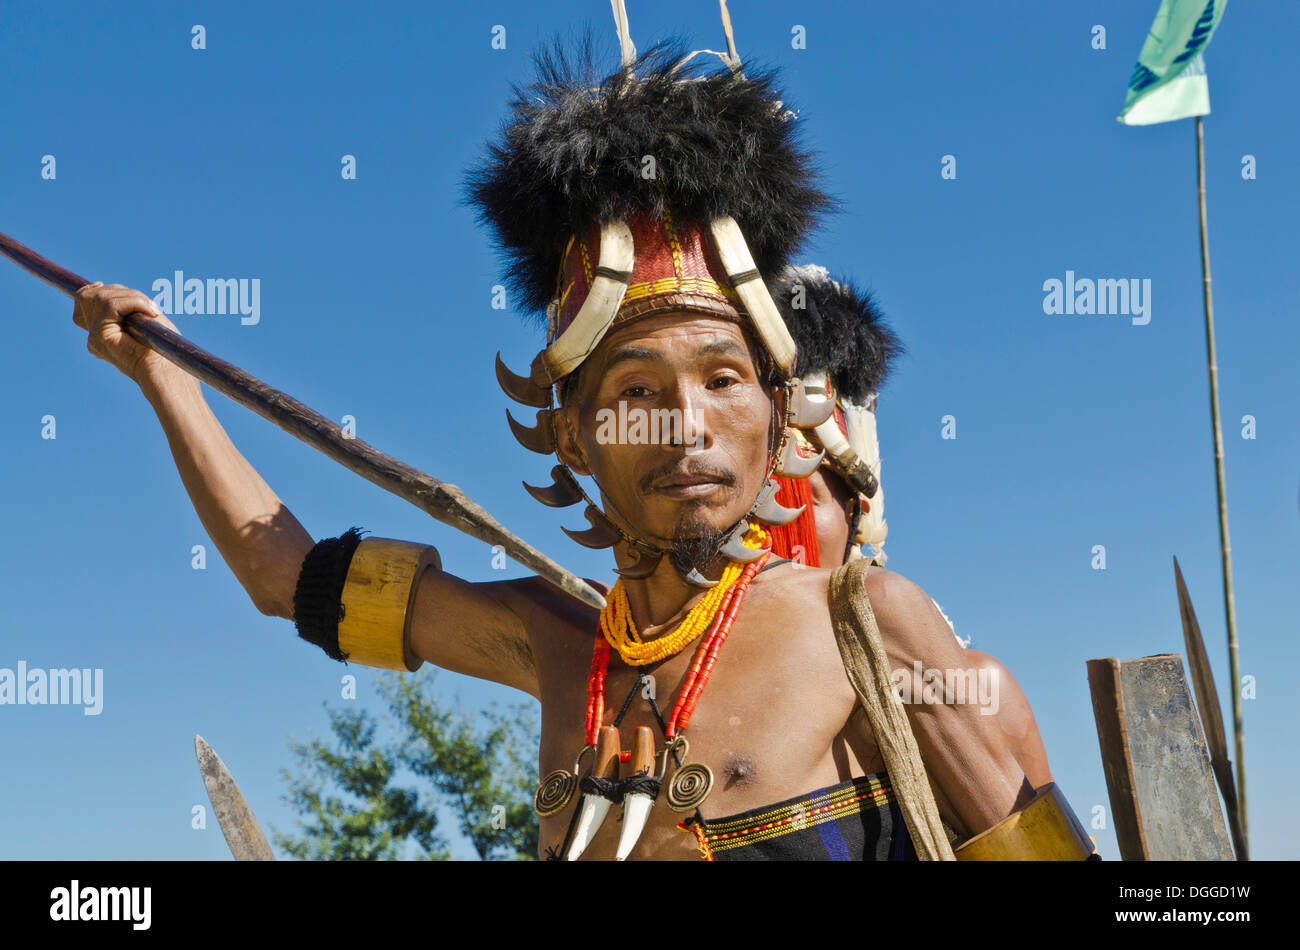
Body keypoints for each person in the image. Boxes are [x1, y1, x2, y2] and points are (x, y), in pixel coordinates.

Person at [70, 40, 1069, 861]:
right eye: (636, 390)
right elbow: (285, 579)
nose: (685, 425)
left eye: (723, 379)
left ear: (776, 421)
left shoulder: (865, 625)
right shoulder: (555, 646)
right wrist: (165, 380)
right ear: (573, 438)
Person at [764, 264, 1053, 791]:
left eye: (803, 495)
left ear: (858, 515)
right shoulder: (616, 688)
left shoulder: (971, 690)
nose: (769, 521)